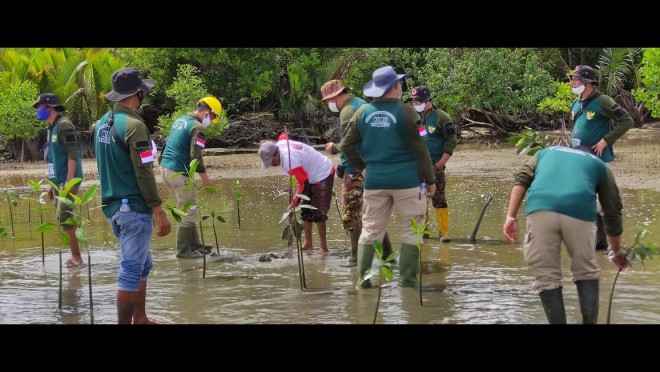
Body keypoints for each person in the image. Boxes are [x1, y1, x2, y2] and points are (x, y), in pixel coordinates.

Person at [502, 145, 629, 324]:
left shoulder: (544, 153)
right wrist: (616, 251)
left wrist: (510, 217)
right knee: (586, 271)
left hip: (540, 209)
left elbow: (521, 180)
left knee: (546, 277)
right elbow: (612, 210)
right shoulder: (599, 165)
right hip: (580, 212)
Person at [340, 65, 437, 289]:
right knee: (411, 231)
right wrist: (430, 179)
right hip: (407, 182)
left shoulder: (362, 112)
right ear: (394, 87)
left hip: (375, 181)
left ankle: (363, 281)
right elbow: (420, 148)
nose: (401, 86)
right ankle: (408, 282)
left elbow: (346, 145)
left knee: (371, 230)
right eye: (400, 83)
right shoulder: (408, 112)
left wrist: (363, 167)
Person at [94, 67, 171, 324]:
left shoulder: (101, 125)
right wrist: (158, 209)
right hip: (134, 208)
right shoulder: (136, 126)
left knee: (143, 264)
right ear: (138, 94)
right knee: (130, 271)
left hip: (114, 208)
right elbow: (145, 173)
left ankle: (141, 317)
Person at [321, 79, 393, 267]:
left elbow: (349, 145)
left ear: (334, 97)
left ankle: (355, 257)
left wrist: (334, 148)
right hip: (373, 165)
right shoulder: (361, 103)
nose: (329, 105)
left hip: (357, 169)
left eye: (328, 100)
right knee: (372, 214)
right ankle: (388, 256)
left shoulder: (347, 111)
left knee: (351, 214)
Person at [569, 64, 634, 250]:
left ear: (588, 82)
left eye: (576, 78)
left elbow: (627, 120)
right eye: (573, 78)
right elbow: (576, 130)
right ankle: (593, 243)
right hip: (578, 160)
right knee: (584, 200)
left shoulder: (603, 101)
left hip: (597, 160)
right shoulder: (576, 102)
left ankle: (605, 245)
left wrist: (606, 140)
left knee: (604, 201)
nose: (573, 82)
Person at [159, 96, 222, 259]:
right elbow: (196, 155)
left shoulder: (180, 120)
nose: (212, 121)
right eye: (213, 117)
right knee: (189, 210)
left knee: (188, 207)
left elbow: (166, 145)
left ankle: (194, 245)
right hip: (178, 171)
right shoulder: (198, 127)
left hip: (165, 169)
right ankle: (183, 252)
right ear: (208, 113)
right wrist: (205, 179)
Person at [259, 137, 334, 255]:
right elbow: (283, 135)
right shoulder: (280, 144)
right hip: (308, 174)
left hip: (322, 172)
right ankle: (308, 244)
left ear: (277, 152)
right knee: (305, 211)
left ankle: (324, 247)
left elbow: (303, 182)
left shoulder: (290, 161)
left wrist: (294, 202)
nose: (272, 165)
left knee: (318, 212)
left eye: (272, 161)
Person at [33, 93, 83, 268]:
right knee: (62, 218)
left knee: (66, 217)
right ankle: (75, 255)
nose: (38, 110)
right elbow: (52, 159)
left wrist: (68, 182)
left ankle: (77, 257)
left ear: (49, 107)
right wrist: (50, 184)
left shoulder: (64, 125)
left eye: (39, 107)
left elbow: (73, 153)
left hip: (68, 180)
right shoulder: (50, 128)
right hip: (57, 181)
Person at [409, 85, 457, 242]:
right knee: (420, 199)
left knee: (439, 198)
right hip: (417, 166)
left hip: (435, 165)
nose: (415, 104)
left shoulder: (441, 117)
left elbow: (452, 140)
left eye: (418, 101)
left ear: (428, 101)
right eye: (413, 102)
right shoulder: (416, 118)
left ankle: (444, 234)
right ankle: (424, 233)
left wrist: (441, 163)